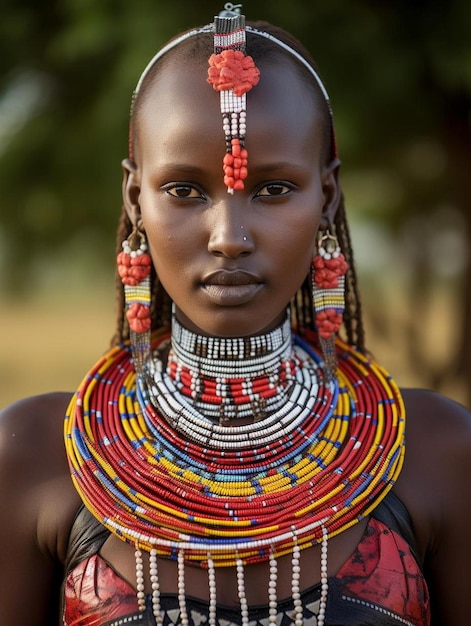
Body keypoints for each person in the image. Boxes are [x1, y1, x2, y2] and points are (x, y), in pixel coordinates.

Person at [1, 4, 471, 626]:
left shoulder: (436, 455)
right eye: (183, 191)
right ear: (133, 197)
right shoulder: (37, 458)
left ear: (326, 198)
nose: (229, 236)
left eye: (274, 190)